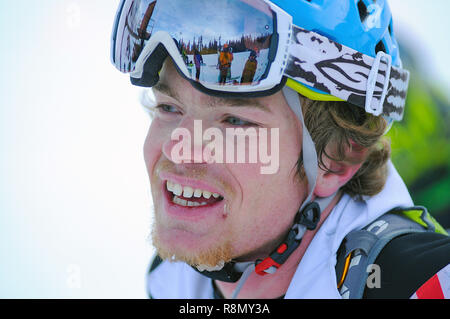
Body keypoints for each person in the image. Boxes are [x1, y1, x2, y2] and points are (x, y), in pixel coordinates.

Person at [111, 0, 450, 299]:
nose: (177, 149)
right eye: (169, 108)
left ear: (335, 157)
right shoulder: (171, 280)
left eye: (234, 121)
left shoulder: (424, 284)